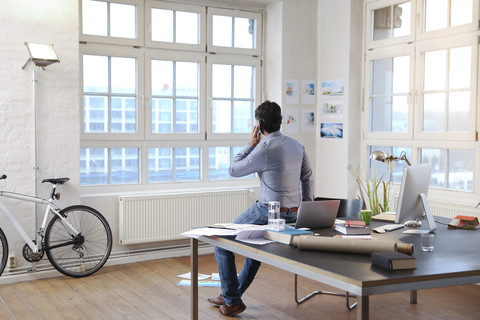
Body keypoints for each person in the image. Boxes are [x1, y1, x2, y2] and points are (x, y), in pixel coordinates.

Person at [208, 100, 314, 316]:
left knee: (220, 240)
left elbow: (234, 169)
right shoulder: (297, 145)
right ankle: (230, 294)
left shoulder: (265, 148)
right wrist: (306, 210)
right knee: (255, 250)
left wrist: (251, 144)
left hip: (267, 211)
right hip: (295, 214)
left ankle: (232, 300)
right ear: (280, 121)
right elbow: (308, 179)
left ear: (259, 125)